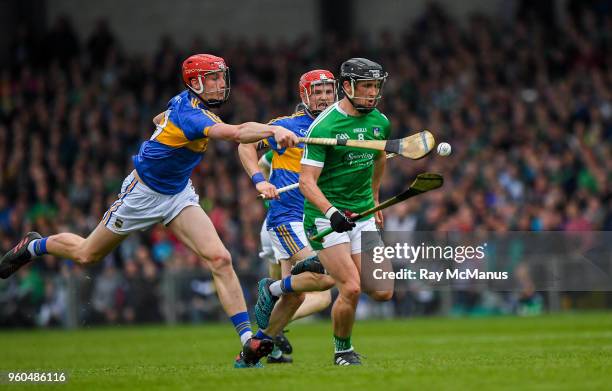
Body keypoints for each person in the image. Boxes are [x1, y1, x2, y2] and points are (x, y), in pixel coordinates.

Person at [0, 53, 299, 368]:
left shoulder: (186, 106)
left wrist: (166, 132)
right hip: (141, 195)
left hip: (177, 194)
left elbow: (159, 119)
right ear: (195, 82)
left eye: (222, 76)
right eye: (213, 78)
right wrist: (271, 130)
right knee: (87, 254)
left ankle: (247, 343)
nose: (221, 83)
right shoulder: (193, 117)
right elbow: (237, 134)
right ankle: (33, 245)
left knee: (221, 259)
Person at [299, 58, 394, 366]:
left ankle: (325, 265)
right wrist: (332, 212)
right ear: (349, 86)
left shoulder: (380, 121)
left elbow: (379, 159)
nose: (372, 92)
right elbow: (306, 182)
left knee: (382, 291)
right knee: (351, 287)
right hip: (326, 219)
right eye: (366, 85)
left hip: (362, 215)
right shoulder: (324, 126)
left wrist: (375, 196)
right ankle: (343, 351)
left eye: (375, 86)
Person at [238, 70, 337, 363]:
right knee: (325, 277)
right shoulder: (286, 126)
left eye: (328, 91)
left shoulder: (340, 128)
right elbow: (244, 144)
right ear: (304, 95)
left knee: (295, 298)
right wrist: (260, 180)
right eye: (316, 92)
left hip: (316, 219)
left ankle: (252, 353)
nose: (323, 97)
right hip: (288, 216)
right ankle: (270, 290)